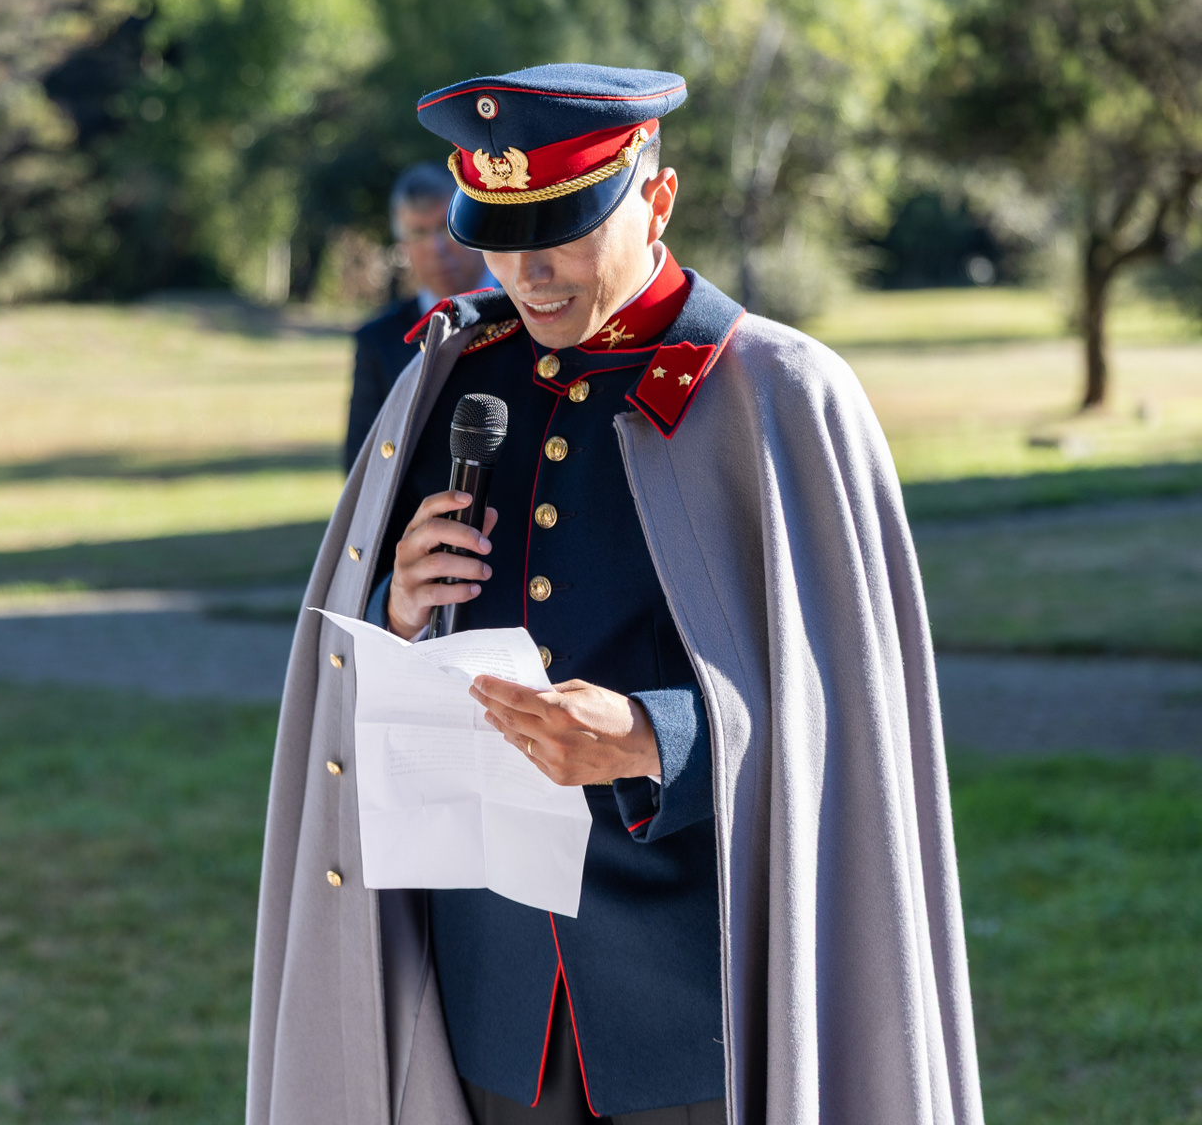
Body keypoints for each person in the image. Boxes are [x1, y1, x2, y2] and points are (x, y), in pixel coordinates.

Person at [249, 64, 982, 1125]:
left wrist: (650, 737)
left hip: (695, 1006)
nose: (530, 273)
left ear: (659, 198)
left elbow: (848, 724)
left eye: (564, 232)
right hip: (493, 999)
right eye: (503, 237)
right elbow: (355, 669)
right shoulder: (454, 378)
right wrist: (399, 608)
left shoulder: (774, 394)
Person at [345, 163, 494, 468]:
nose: (436, 247)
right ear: (403, 245)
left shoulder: (533, 311)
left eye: (446, 227)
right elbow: (362, 468)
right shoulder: (379, 341)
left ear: (476, 223)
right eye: (419, 233)